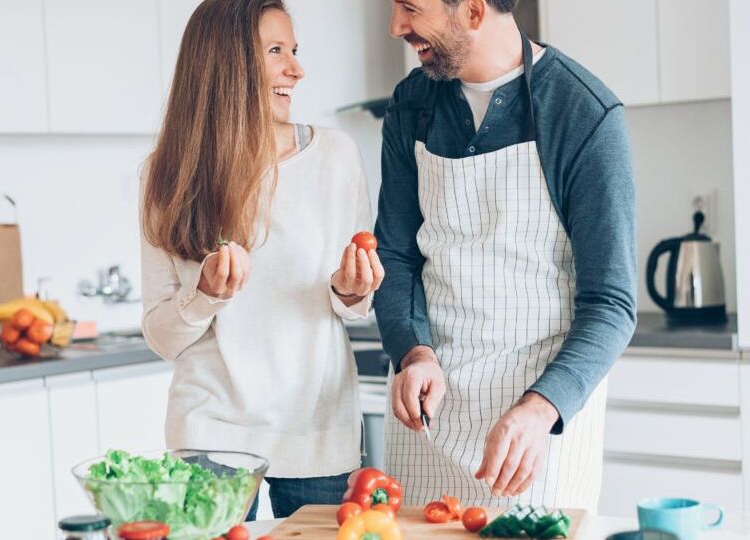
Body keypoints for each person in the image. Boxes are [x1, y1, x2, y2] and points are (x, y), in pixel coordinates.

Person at [374, 0, 637, 511]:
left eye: (410, 8)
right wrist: (413, 352)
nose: (396, 27)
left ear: (473, 11)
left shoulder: (583, 112)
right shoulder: (412, 102)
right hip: (427, 414)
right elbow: (397, 255)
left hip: (535, 427)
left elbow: (611, 304)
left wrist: (541, 409)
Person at [139, 0, 384, 519]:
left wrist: (350, 289)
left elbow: (353, 306)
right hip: (210, 432)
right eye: (276, 51)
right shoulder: (167, 176)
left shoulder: (335, 157)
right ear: (225, 63)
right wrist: (205, 296)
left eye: (294, 51)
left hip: (317, 428)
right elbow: (163, 338)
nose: (297, 69)